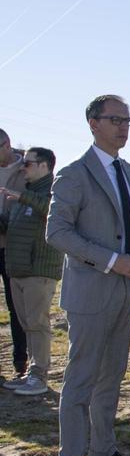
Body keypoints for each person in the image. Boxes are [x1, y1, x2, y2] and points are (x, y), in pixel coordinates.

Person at [46, 95, 130, 456]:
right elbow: (56, 232)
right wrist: (110, 260)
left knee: (112, 376)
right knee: (81, 379)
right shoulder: (74, 175)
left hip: (125, 291)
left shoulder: (127, 171)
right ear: (93, 123)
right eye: (115, 120)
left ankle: (103, 452)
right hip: (91, 291)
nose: (123, 127)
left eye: (128, 120)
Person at [0, 147, 63, 396]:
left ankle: (39, 376)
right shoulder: (24, 194)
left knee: (38, 324)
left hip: (39, 270)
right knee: (28, 325)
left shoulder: (55, 191)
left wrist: (22, 198)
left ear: (44, 166)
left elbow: (54, 213)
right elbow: (11, 227)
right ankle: (30, 374)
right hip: (19, 270)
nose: (22, 167)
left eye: (28, 163)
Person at [0, 129, 28, 381]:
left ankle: (22, 362)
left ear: (6, 145)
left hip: (15, 247)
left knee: (17, 307)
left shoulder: (28, 168)